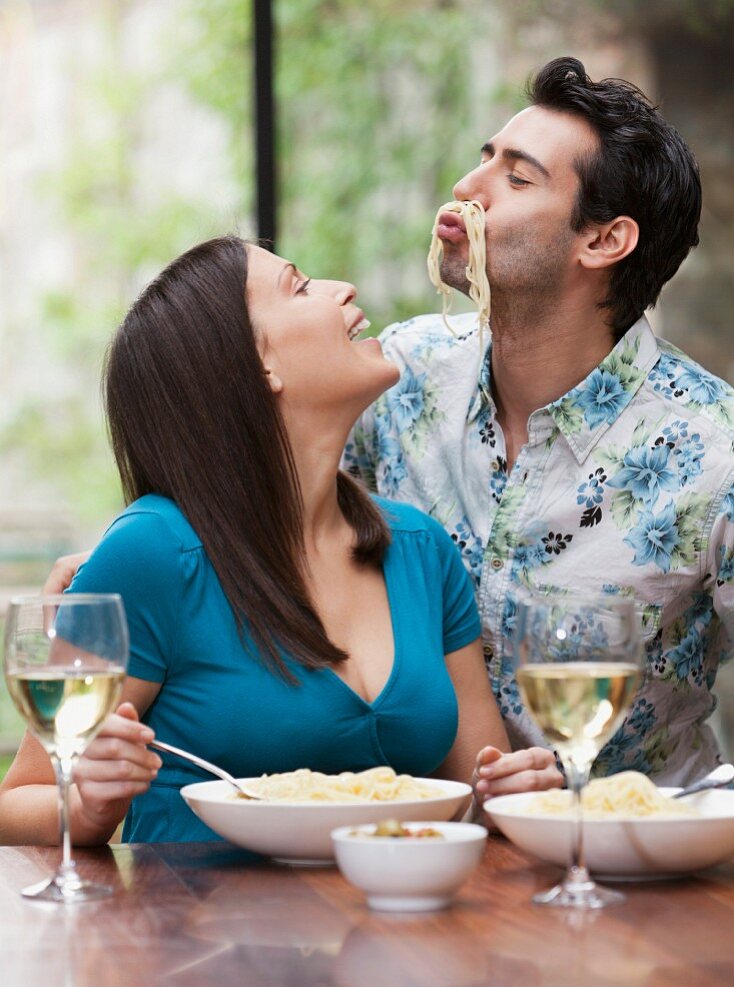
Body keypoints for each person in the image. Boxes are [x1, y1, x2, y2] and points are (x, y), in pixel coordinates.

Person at [0, 237, 562, 846]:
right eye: (299, 286)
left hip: (391, 932)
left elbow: (476, 797)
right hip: (193, 936)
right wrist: (85, 806)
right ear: (256, 364)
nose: (342, 290)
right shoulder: (151, 554)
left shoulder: (422, 549)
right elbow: (18, 802)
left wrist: (515, 795)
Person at [344, 56, 734, 790]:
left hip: (632, 876)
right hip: (410, 845)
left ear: (604, 241)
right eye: (484, 159)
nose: (468, 189)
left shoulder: (715, 452)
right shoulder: (401, 375)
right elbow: (274, 533)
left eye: (517, 179)